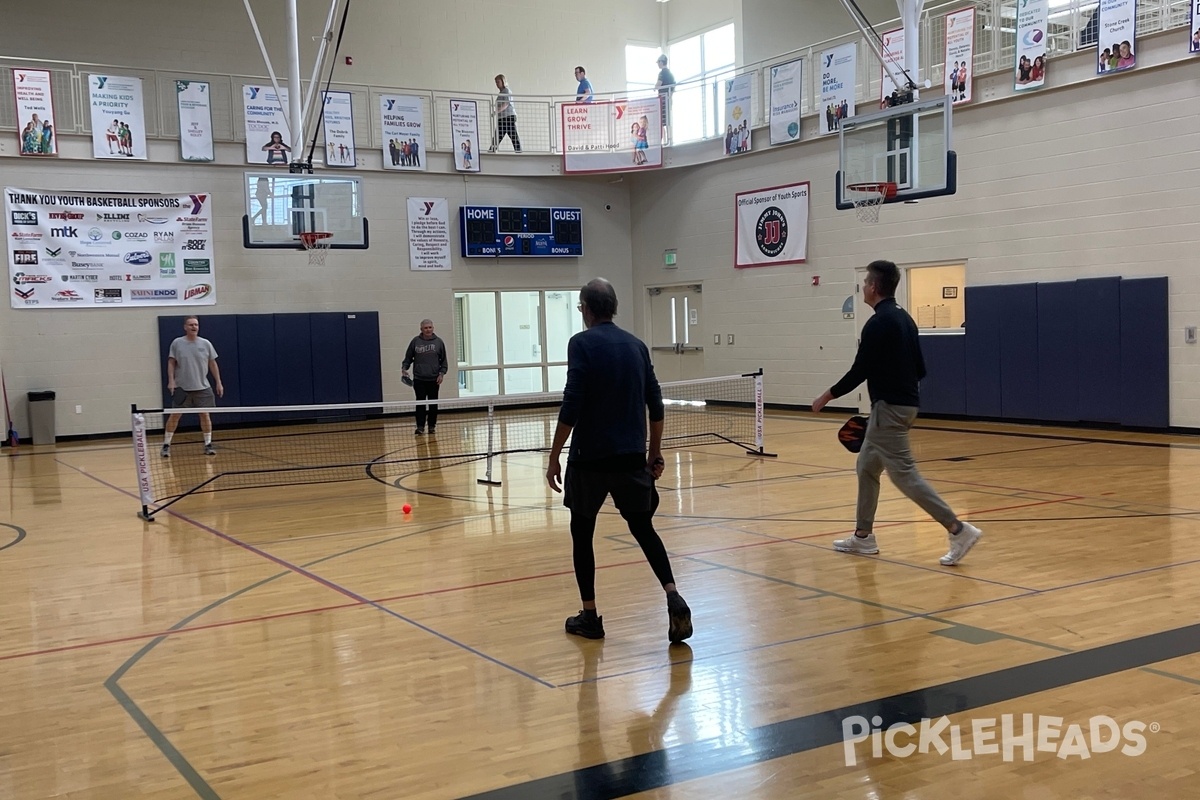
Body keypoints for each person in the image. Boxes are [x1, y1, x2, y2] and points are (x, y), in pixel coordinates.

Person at [546, 278, 692, 643]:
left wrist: (553, 457)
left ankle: (590, 617)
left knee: (582, 533)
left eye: (581, 308)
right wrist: (654, 452)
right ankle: (673, 594)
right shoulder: (637, 346)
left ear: (588, 309)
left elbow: (572, 404)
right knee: (644, 529)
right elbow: (656, 406)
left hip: (589, 460)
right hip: (630, 459)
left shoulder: (581, 344)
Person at [811, 260, 983, 566]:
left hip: (889, 410)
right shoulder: (905, 320)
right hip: (902, 406)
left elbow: (859, 370)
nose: (863, 286)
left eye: (865, 282)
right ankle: (863, 538)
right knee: (866, 466)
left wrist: (827, 396)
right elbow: (920, 369)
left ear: (874, 287)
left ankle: (958, 529)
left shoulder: (878, 324)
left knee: (905, 476)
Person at [162, 316, 223, 457]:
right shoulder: (177, 343)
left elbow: (213, 364)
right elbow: (171, 362)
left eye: (196, 324)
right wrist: (171, 381)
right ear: (185, 327)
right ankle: (166, 445)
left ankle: (208, 444)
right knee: (175, 416)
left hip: (203, 387)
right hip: (182, 388)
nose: (194, 327)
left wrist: (218, 382)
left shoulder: (206, 343)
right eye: (191, 325)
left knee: (205, 415)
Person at [401, 319, 448, 435]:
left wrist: (441, 374)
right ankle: (420, 427)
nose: (428, 329)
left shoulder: (439, 342)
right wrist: (404, 368)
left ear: (433, 328)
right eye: (426, 328)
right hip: (419, 379)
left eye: (430, 327)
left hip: (434, 379)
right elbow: (408, 358)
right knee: (420, 404)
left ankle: (432, 426)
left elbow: (444, 362)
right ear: (421, 329)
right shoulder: (415, 342)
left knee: (433, 404)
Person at [491, 74, 521, 152]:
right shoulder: (501, 93)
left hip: (508, 117)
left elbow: (506, 103)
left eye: (498, 82)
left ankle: (519, 152)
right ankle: (492, 150)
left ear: (503, 81)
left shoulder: (506, 91)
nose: (497, 84)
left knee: (513, 136)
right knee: (497, 136)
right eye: (496, 82)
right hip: (502, 118)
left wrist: (496, 111)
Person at [654, 54, 675, 133]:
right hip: (669, 99)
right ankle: (670, 137)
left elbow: (659, 84)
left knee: (662, 121)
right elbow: (673, 88)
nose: (658, 64)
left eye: (658, 62)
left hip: (662, 100)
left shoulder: (662, 73)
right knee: (668, 120)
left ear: (661, 62)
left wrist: (655, 87)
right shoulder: (671, 74)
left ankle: (664, 139)